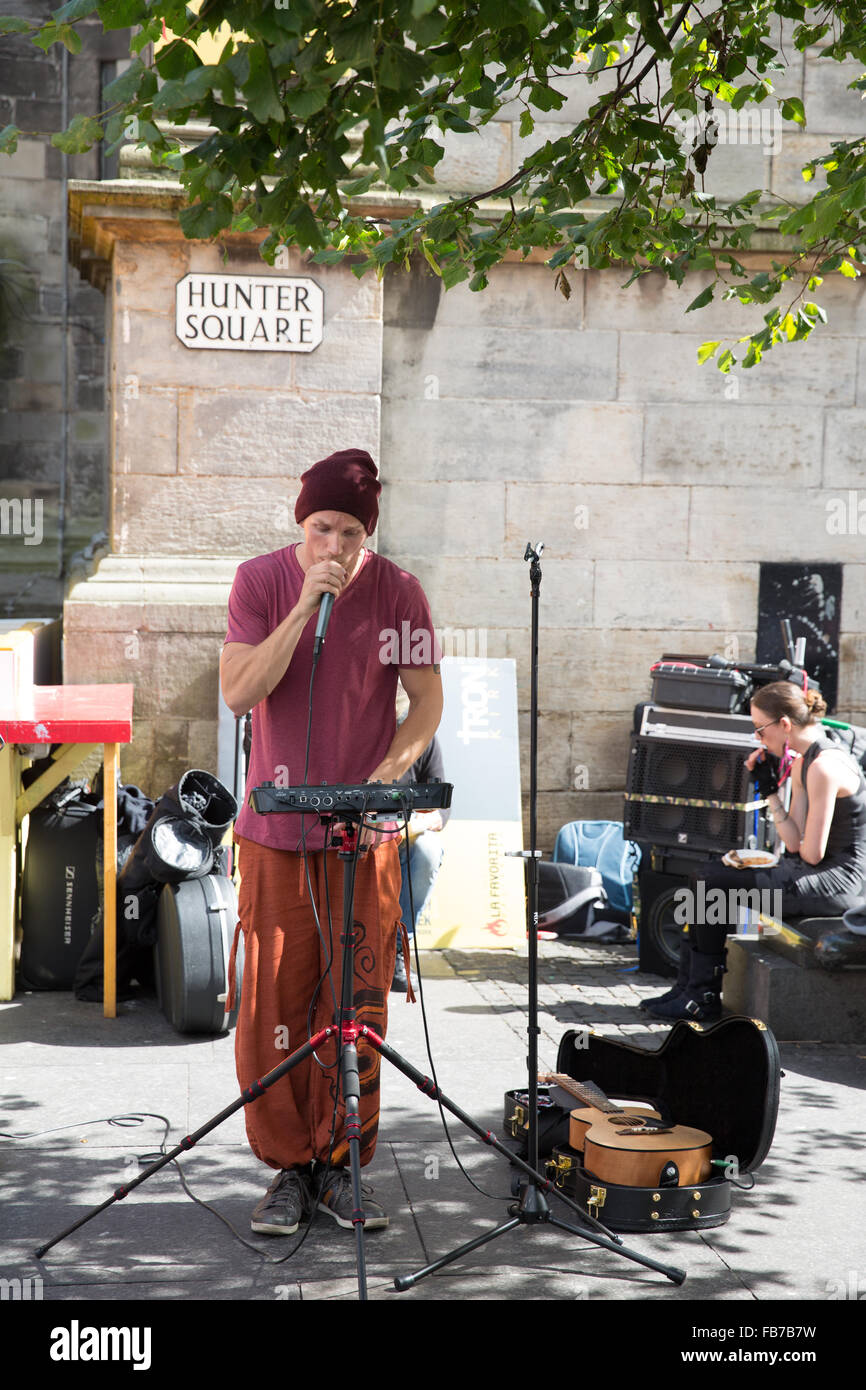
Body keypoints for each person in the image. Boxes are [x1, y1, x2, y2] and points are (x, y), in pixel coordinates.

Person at [220, 448, 442, 1235]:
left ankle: (343, 1164)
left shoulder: (399, 592)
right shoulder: (259, 582)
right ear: (301, 522)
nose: (336, 547)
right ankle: (290, 1168)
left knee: (355, 1003)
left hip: (363, 835)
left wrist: (385, 779)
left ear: (367, 534)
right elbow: (239, 691)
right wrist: (302, 609)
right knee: (272, 1005)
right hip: (274, 837)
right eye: (322, 528)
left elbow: (426, 704)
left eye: (351, 533)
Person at [645, 681, 866, 1021]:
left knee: (712, 884)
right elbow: (793, 842)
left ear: (785, 724)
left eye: (760, 729)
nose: (758, 738)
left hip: (838, 884)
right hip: (815, 873)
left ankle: (702, 995)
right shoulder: (804, 763)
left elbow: (811, 853)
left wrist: (763, 865)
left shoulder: (824, 766)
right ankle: (687, 987)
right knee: (704, 876)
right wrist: (770, 789)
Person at [392, 727, 450, 992]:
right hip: (359, 826)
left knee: (428, 849)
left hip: (405, 830)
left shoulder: (421, 733)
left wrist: (412, 826)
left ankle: (397, 947)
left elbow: (441, 807)